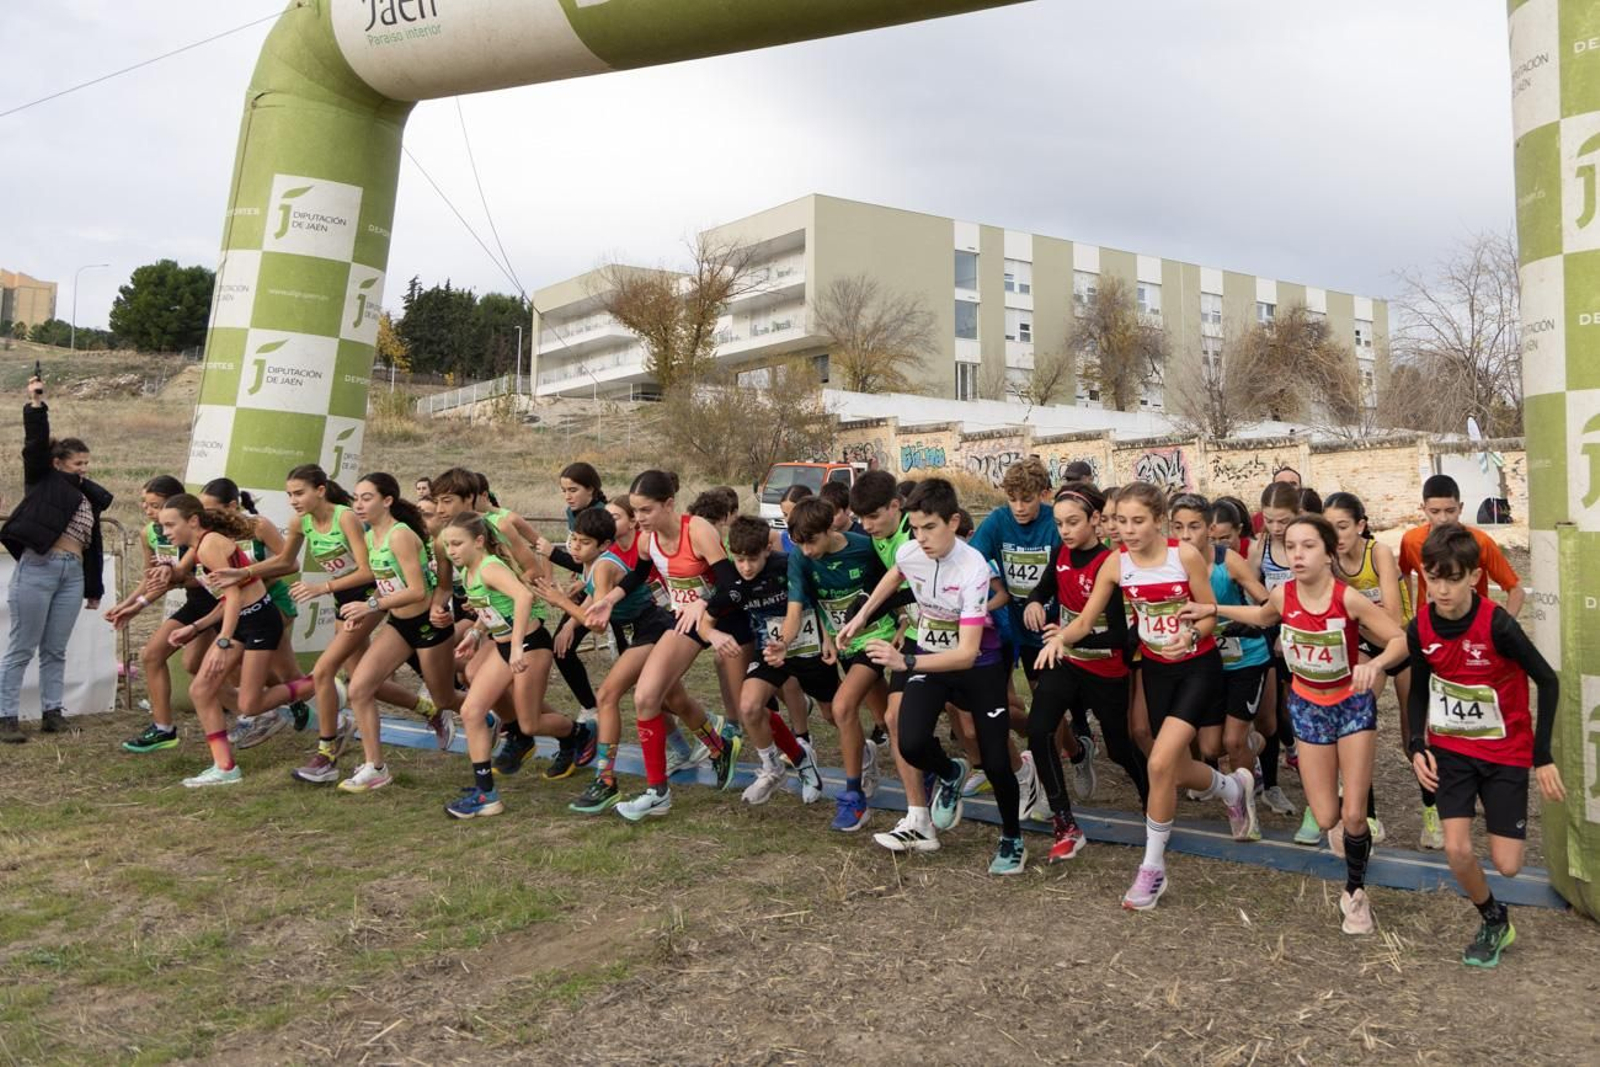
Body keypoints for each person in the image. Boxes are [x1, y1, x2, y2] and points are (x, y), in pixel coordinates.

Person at [1187, 514, 1408, 935]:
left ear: (1328, 553)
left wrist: (1375, 664)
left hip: (1351, 708)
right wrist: (1212, 608)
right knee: (1326, 818)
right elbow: (1261, 616)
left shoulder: (1348, 598)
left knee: (1355, 814)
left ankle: (1355, 893)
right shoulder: (1283, 595)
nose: (1298, 555)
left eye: (1308, 546)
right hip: (1308, 709)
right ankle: (1342, 827)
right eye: (1291, 547)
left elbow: (1398, 638)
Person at [1040, 482, 1248, 909]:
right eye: (1121, 521)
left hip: (1197, 667)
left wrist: (1191, 634)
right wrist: (1060, 637)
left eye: (1138, 521)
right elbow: (1086, 621)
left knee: (1158, 762)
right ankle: (1231, 789)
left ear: (1159, 521)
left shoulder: (1183, 556)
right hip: (1156, 670)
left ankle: (1152, 869)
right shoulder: (1116, 564)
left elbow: (1208, 615)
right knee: (1176, 768)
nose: (1128, 530)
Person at [840, 478, 1027, 875]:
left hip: (978, 668)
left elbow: (967, 653)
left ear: (953, 522)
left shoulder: (973, 568)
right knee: (909, 741)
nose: (921, 538)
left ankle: (1012, 838)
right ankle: (950, 771)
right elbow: (895, 574)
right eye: (915, 528)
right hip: (930, 657)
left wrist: (905, 662)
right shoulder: (911, 550)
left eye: (930, 527)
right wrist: (861, 617)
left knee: (995, 760)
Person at [1406, 524, 1562, 967]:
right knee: (1456, 849)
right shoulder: (1420, 627)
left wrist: (1542, 756)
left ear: (1474, 577)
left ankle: (1499, 896)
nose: (1441, 590)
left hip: (1505, 751)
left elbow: (1548, 681)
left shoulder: (1498, 624)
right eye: (1433, 578)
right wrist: (1417, 744)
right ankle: (1494, 918)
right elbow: (1418, 690)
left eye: (1452, 579)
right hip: (1452, 751)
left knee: (1508, 864)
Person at [590, 470, 741, 821]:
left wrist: (703, 604)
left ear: (669, 504)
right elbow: (639, 575)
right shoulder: (648, 540)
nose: (639, 519)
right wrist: (609, 600)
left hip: (725, 617)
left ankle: (781, 751)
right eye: (635, 511)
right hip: (685, 622)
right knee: (648, 697)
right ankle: (662, 789)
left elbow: (731, 583)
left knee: (759, 704)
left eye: (646, 510)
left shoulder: (698, 530)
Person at [534, 505, 695, 815]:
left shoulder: (604, 566)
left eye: (584, 542)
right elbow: (594, 600)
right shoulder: (591, 566)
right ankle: (715, 741)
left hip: (653, 627)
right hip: (640, 630)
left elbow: (598, 624)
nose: (575, 547)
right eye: (573, 539)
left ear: (604, 545)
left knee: (608, 695)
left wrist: (562, 602)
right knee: (670, 699)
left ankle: (606, 780)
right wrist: (570, 623)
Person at [1023, 483, 1142, 863]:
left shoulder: (1110, 563)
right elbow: (1041, 590)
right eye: (1059, 524)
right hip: (1067, 661)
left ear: (1095, 519)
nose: (1065, 531)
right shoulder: (1060, 553)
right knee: (1039, 730)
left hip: (1106, 669)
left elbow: (1122, 636)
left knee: (1120, 749)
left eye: (1073, 522)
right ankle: (1064, 822)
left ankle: (1152, 799)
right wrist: (1034, 603)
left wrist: (1072, 635)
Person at [161, 494, 313, 787]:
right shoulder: (202, 546)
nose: (166, 532)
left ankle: (321, 682)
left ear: (193, 521)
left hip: (259, 621)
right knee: (201, 690)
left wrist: (222, 641)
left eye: (170, 525)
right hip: (243, 621)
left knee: (250, 704)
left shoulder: (209, 546)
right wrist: (196, 627)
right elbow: (228, 598)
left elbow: (234, 597)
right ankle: (225, 767)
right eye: (163, 526)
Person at [0, 375, 112, 742]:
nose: (84, 468)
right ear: (58, 463)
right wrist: (36, 405)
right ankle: (6, 717)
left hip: (72, 573)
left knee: (55, 649)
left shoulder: (89, 497)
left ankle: (52, 713)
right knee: (22, 647)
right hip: (39, 568)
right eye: (78, 462)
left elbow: (92, 542)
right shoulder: (42, 480)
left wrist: (93, 587)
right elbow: (34, 446)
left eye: (87, 462)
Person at [335, 474, 461, 792]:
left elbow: (417, 591)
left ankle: (492, 715)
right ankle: (375, 767)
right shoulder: (371, 536)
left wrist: (370, 605)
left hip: (427, 624)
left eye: (367, 498)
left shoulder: (400, 535)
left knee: (444, 697)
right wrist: (362, 610)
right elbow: (386, 584)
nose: (359, 504)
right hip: (399, 625)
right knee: (359, 688)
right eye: (356, 498)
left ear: (387, 500)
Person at [697, 515, 828, 807]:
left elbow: (821, 597)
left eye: (752, 559)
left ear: (767, 550)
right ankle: (774, 768)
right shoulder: (732, 584)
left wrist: (829, 636)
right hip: (769, 649)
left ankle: (810, 748)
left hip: (808, 645)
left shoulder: (788, 565)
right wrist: (714, 635)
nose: (746, 567)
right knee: (749, 706)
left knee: (834, 713)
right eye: (739, 559)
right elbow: (705, 623)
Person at [785, 496, 895, 831]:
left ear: (829, 529)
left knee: (843, 706)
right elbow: (796, 610)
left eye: (811, 542)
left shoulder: (864, 547)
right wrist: (785, 643)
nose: (806, 551)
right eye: (799, 543)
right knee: (888, 719)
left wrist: (904, 623)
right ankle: (934, 767)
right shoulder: (800, 558)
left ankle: (853, 797)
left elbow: (895, 584)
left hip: (877, 636)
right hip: (845, 644)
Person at [1170, 493, 1272, 833]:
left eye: (1194, 527)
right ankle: (1253, 747)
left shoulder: (1228, 561)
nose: (1186, 535)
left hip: (1246, 657)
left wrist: (1249, 621)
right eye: (1178, 527)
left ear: (1209, 528)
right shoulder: (1171, 564)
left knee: (1231, 742)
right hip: (1207, 662)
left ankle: (1245, 807)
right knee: (1211, 747)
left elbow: (1266, 603)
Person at [107, 475, 200, 753]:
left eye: (155, 506)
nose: (148, 511)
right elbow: (153, 579)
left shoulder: (197, 535)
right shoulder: (148, 533)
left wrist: (138, 605)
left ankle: (276, 705)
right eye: (145, 504)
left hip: (220, 601)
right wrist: (127, 604)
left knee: (208, 669)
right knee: (152, 655)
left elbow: (180, 577)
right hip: (197, 602)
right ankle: (163, 729)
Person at [1398, 474, 1525, 620]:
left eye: (1450, 511)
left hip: (1474, 625)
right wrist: (1408, 618)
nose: (1443, 519)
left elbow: (1516, 590)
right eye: (1435, 512)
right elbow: (1404, 575)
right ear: (1424, 509)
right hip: (1429, 625)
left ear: (1460, 508)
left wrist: (1504, 628)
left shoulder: (1481, 542)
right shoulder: (1411, 541)